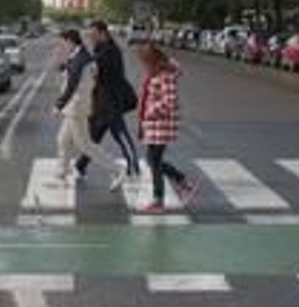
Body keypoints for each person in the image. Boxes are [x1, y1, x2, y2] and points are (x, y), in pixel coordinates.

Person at [55, 29, 124, 188]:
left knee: (84, 144)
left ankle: (118, 169)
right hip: (75, 105)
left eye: (63, 43)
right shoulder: (79, 57)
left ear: (71, 41)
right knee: (63, 140)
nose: (61, 46)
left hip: (76, 106)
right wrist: (62, 59)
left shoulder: (81, 59)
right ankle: (62, 174)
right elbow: (65, 70)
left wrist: (59, 104)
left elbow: (72, 84)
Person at [134, 41, 196, 214]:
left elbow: (170, 101)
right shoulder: (158, 73)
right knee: (154, 160)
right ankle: (183, 183)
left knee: (154, 160)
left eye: (145, 61)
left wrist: (150, 112)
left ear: (153, 60)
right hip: (155, 124)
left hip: (160, 123)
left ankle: (159, 200)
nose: (143, 64)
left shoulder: (165, 76)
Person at [82, 20, 140, 178]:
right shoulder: (100, 48)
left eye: (93, 34)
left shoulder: (111, 51)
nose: (91, 38)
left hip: (112, 103)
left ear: (103, 33)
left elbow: (94, 68)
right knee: (92, 139)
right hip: (101, 103)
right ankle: (81, 166)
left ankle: (134, 166)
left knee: (121, 136)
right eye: (90, 34)